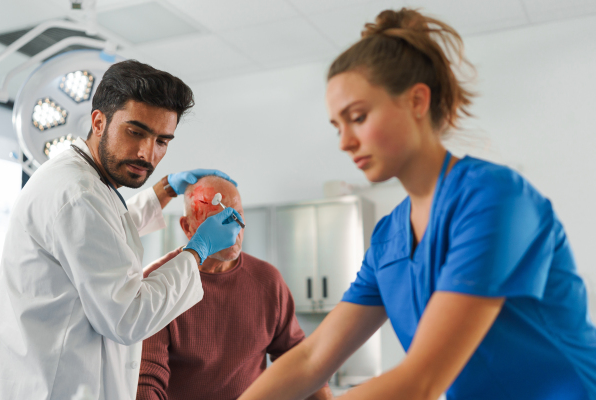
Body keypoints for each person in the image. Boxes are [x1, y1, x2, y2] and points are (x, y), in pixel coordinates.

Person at [237, 8, 596, 400]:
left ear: (417, 101)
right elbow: (311, 359)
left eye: (357, 117)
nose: (344, 141)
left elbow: (421, 380)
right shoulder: (390, 237)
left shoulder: (494, 198)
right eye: (337, 126)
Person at [0, 60, 243, 400]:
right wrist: (198, 250)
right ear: (99, 121)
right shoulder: (78, 194)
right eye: (136, 132)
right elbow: (129, 317)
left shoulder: (83, 179)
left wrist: (165, 190)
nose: (148, 153)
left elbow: (106, 232)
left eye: (162, 140)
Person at [138, 176, 333, 400]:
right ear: (187, 226)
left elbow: (301, 362)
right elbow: (146, 384)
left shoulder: (267, 281)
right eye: (216, 220)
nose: (233, 228)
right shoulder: (158, 283)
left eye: (237, 215)